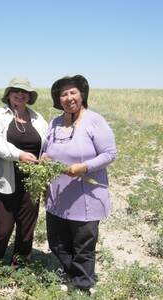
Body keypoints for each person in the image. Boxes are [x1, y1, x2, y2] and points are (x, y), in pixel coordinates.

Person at [42, 74, 117, 292]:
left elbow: (110, 154)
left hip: (85, 194)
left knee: (83, 244)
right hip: (58, 194)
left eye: (73, 92)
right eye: (63, 94)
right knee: (57, 242)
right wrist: (45, 158)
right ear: (58, 99)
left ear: (82, 95)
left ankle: (83, 285)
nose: (68, 97)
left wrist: (83, 167)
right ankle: (72, 274)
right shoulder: (55, 123)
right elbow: (47, 150)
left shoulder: (94, 120)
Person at [0, 76, 48, 266]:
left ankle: (20, 263)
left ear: (29, 96)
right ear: (9, 94)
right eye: (16, 91)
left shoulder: (37, 118)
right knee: (3, 228)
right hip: (5, 180)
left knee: (27, 226)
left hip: (32, 182)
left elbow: (47, 143)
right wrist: (18, 155)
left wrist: (46, 155)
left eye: (24, 92)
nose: (20, 94)